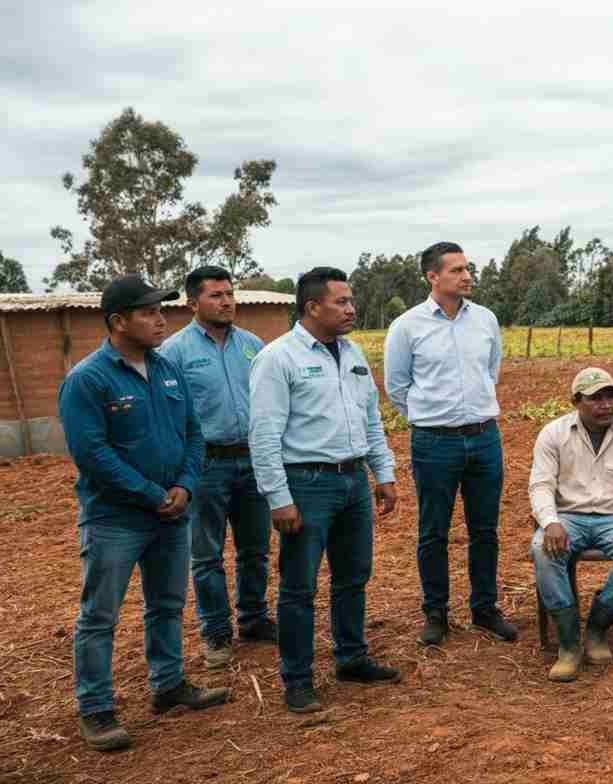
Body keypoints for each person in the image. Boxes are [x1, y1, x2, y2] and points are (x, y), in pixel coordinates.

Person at [59, 275, 230, 752]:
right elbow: (92, 453)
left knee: (168, 604)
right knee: (100, 615)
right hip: (115, 519)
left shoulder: (167, 369)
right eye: (149, 313)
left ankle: (168, 684)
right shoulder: (88, 379)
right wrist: (152, 493)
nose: (161, 321)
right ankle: (96, 708)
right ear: (118, 321)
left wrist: (185, 485)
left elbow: (193, 434)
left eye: (161, 311)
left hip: (172, 513)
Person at [249, 267, 400, 714]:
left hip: (353, 481)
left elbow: (371, 420)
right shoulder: (278, 358)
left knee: (353, 577)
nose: (352, 308)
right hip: (306, 484)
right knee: (299, 587)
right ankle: (297, 679)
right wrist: (279, 498)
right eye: (342, 301)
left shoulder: (352, 353)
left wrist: (383, 473)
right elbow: (264, 435)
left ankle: (351, 658)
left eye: (351, 300)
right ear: (313, 307)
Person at [384, 241, 516, 647]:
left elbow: (491, 371)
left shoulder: (486, 320)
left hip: (484, 437)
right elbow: (397, 387)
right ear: (433, 276)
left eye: (467, 268)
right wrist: (432, 417)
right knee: (433, 531)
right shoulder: (407, 326)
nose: (466, 275)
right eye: (457, 270)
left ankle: (485, 608)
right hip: (433, 442)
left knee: (485, 529)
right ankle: (436, 612)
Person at [160, 266, 272, 670]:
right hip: (205, 465)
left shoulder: (253, 345)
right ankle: (216, 632)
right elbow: (166, 415)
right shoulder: (174, 352)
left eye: (229, 294)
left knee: (255, 549)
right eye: (216, 296)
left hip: (253, 460)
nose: (227, 302)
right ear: (193, 303)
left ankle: (254, 619)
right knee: (206, 555)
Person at [528, 367, 613, 681]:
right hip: (568, 516)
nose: (606, 405)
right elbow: (541, 485)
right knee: (542, 549)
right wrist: (550, 522)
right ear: (576, 401)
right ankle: (569, 642)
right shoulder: (553, 433)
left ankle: (598, 627)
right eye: (595, 398)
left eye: (610, 396)